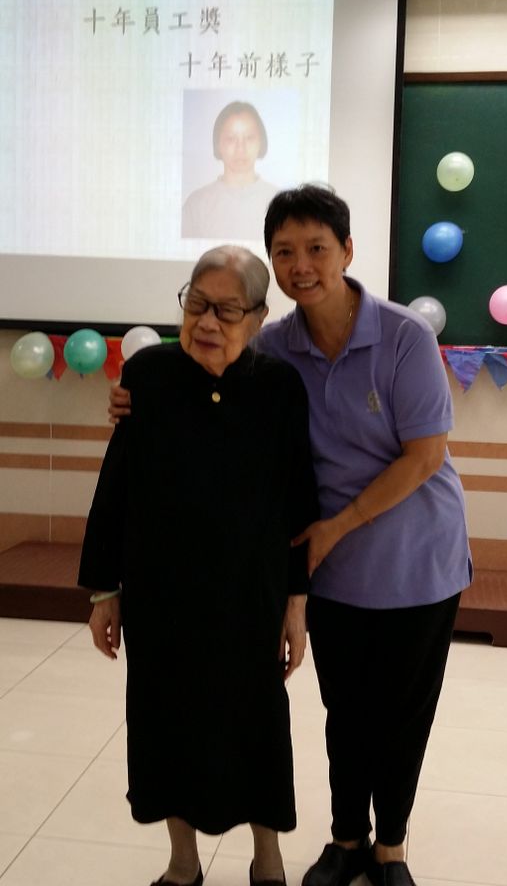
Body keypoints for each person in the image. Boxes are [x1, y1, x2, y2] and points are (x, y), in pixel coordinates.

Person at [110, 186, 473, 886]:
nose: (301, 265)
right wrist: (135, 397)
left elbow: (425, 456)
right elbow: (204, 379)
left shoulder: (405, 336)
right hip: (328, 564)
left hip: (414, 558)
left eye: (316, 249)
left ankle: (391, 848)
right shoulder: (274, 346)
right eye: (284, 251)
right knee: (345, 713)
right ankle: (346, 839)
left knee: (402, 714)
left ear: (347, 251)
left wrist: (336, 526)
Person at [81, 245, 318, 886]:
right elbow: (117, 484)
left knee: (257, 723)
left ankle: (268, 859)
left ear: (259, 317)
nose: (207, 322)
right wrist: (103, 589)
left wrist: (296, 601)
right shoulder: (149, 374)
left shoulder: (279, 387)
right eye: (196, 304)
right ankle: (183, 862)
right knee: (164, 722)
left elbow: (299, 501)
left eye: (226, 310)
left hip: (251, 594)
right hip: (161, 594)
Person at [181, 102, 278, 240]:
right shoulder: (196, 204)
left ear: (261, 142)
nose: (240, 148)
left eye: (249, 138)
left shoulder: (278, 202)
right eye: (231, 139)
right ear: (218, 144)